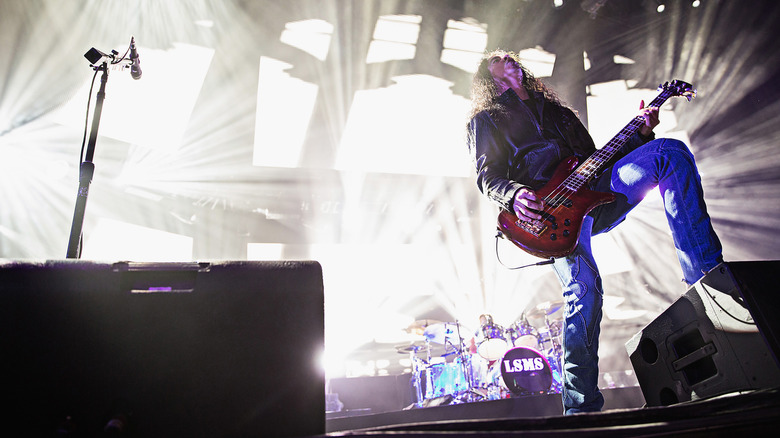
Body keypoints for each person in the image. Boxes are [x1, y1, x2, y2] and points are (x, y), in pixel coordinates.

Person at [466, 49, 723, 415]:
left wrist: (641, 134)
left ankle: (710, 281)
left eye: (511, 65)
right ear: (489, 82)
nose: (508, 71)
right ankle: (580, 407)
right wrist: (515, 194)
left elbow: (597, 158)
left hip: (595, 192)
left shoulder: (559, 113)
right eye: (498, 71)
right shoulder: (487, 120)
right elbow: (487, 175)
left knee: (669, 152)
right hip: (549, 213)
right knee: (585, 292)